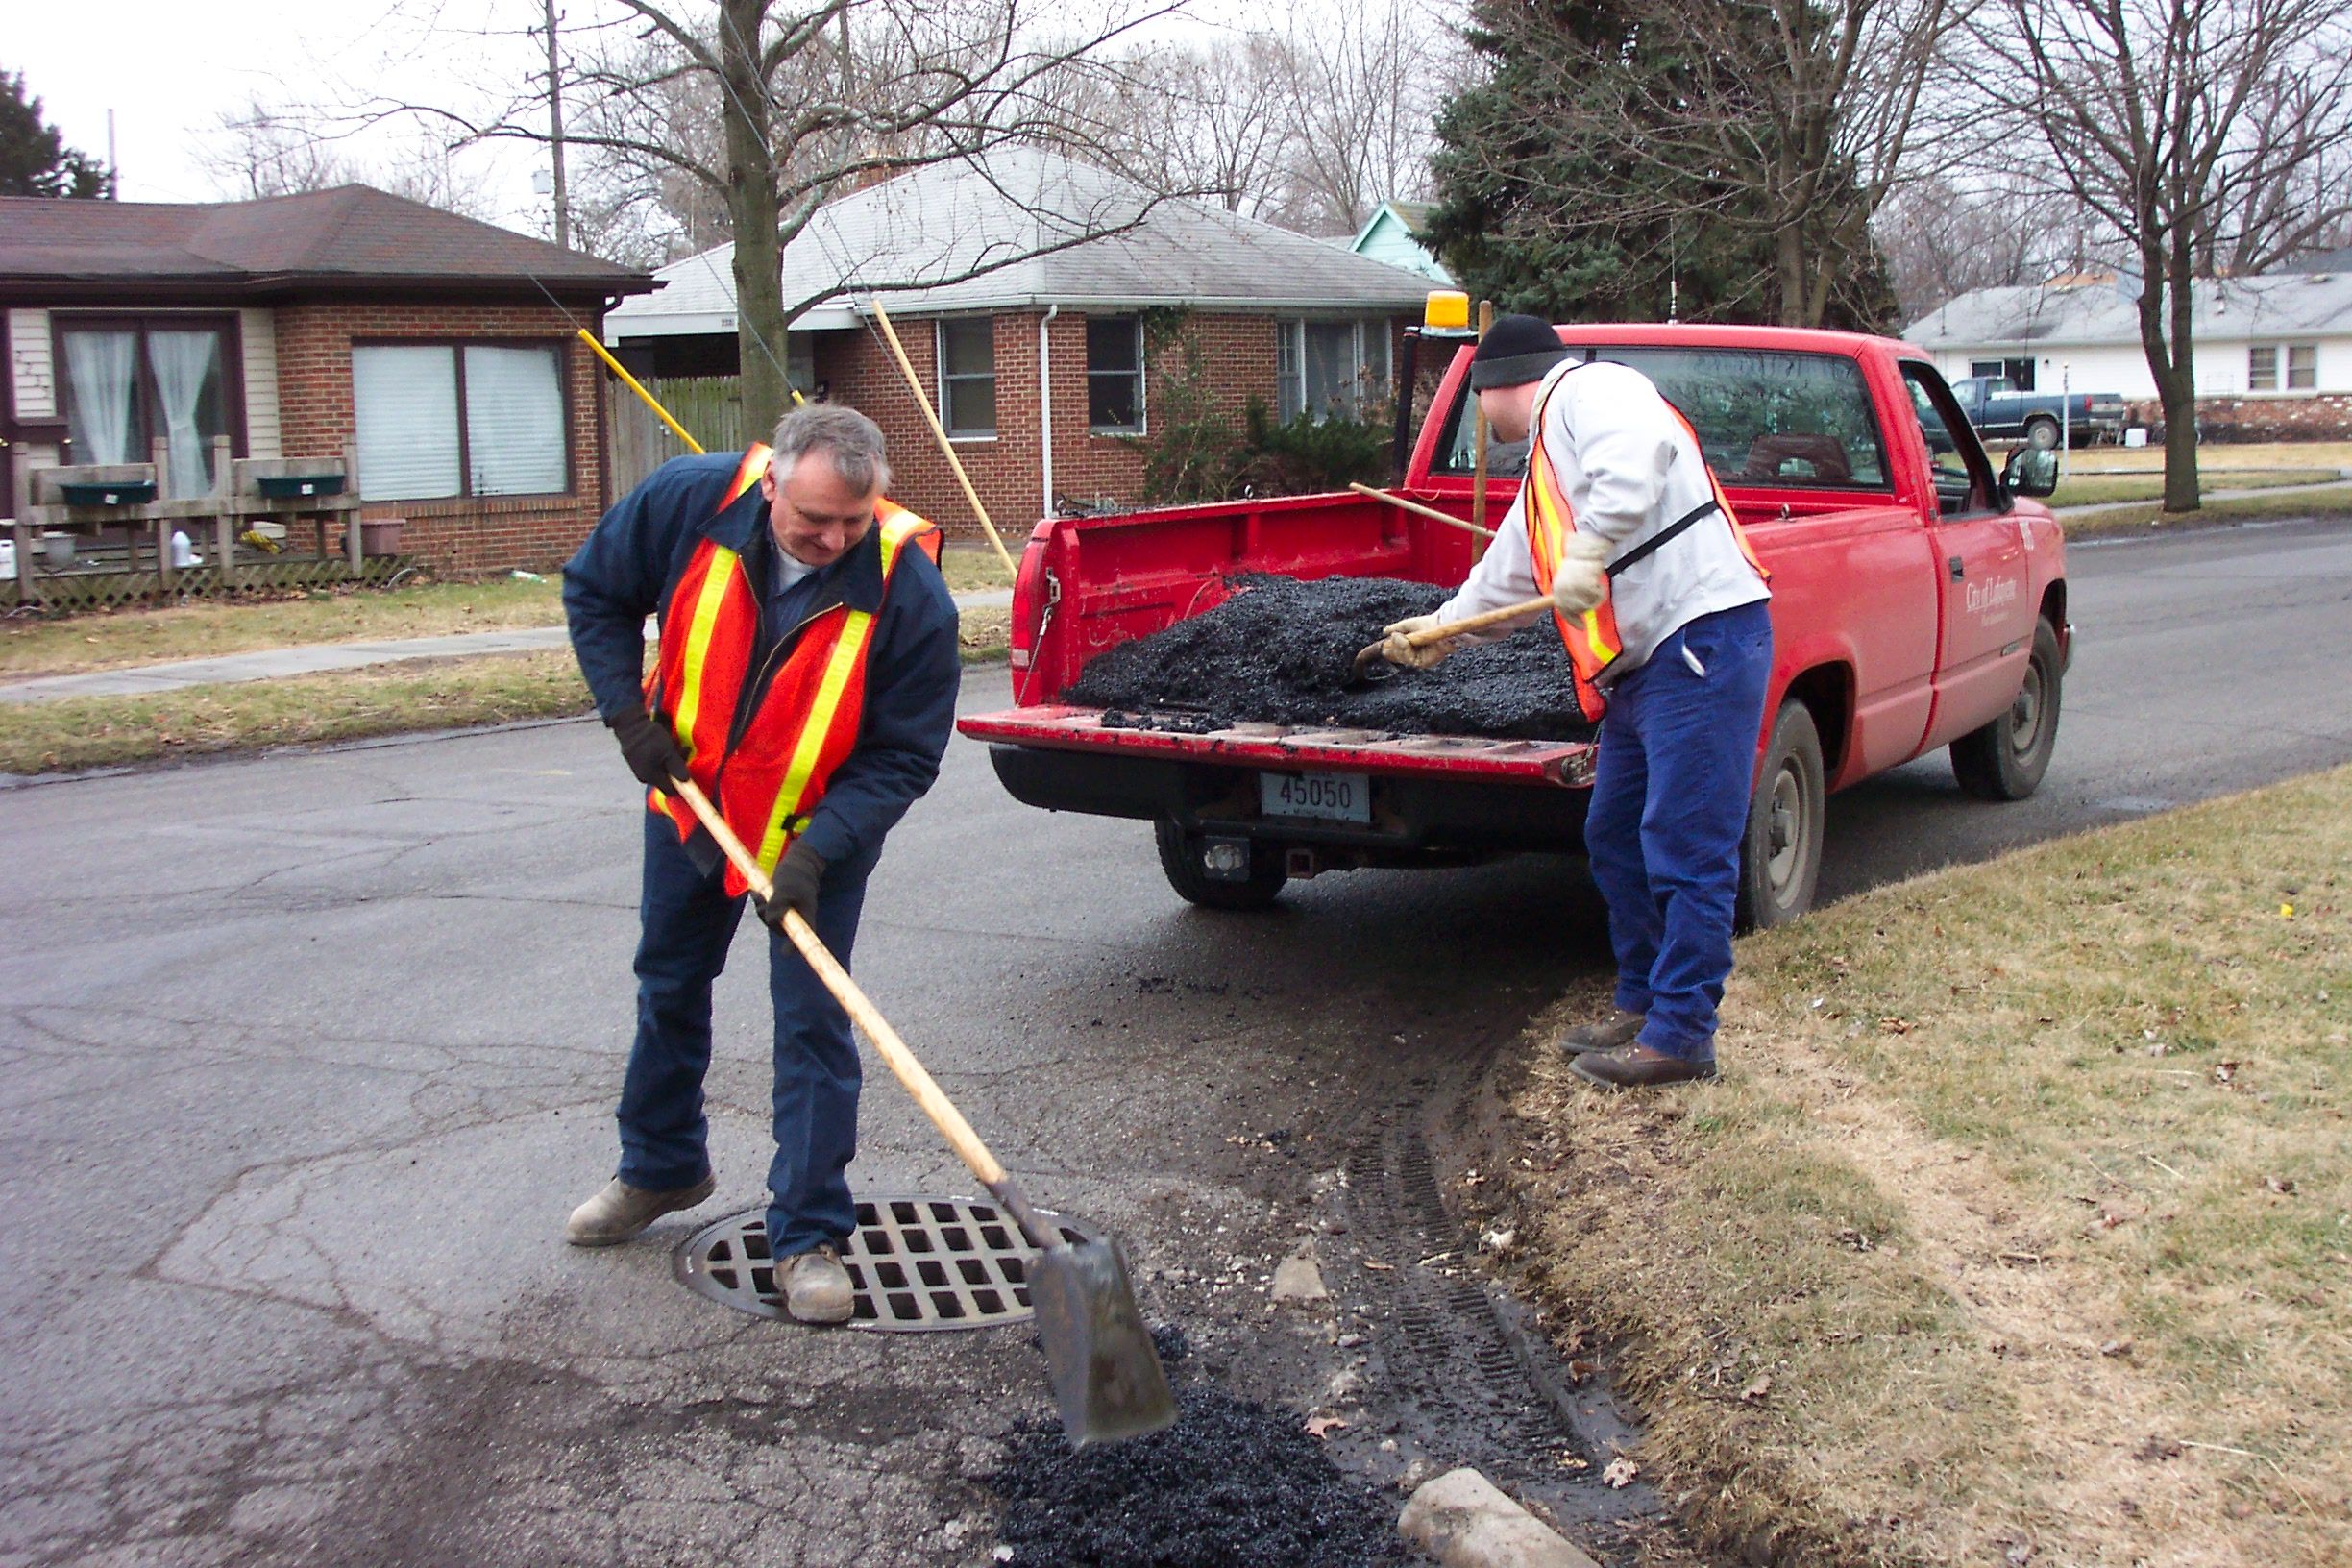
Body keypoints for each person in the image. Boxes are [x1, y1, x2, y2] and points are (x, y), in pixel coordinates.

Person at [561, 404, 960, 1320]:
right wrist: (629, 716)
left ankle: (810, 1235)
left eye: (851, 523)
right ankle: (660, 1167)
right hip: (694, 802)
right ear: (771, 482)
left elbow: (904, 754)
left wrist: (817, 854)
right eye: (812, 520)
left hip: (816, 834)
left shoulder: (909, 587)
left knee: (815, 1021)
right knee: (669, 981)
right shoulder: (688, 502)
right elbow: (596, 592)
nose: (831, 539)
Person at [1382, 314, 1773, 1090]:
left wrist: (1590, 555)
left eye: (1475, 400)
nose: (1479, 419)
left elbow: (1640, 458)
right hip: (1641, 670)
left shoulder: (1592, 391)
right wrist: (1442, 630)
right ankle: (1643, 1001)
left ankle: (1683, 1033)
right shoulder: (1544, 475)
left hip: (1700, 640)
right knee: (1617, 831)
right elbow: (1513, 575)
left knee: (1685, 841)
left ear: (1496, 387)